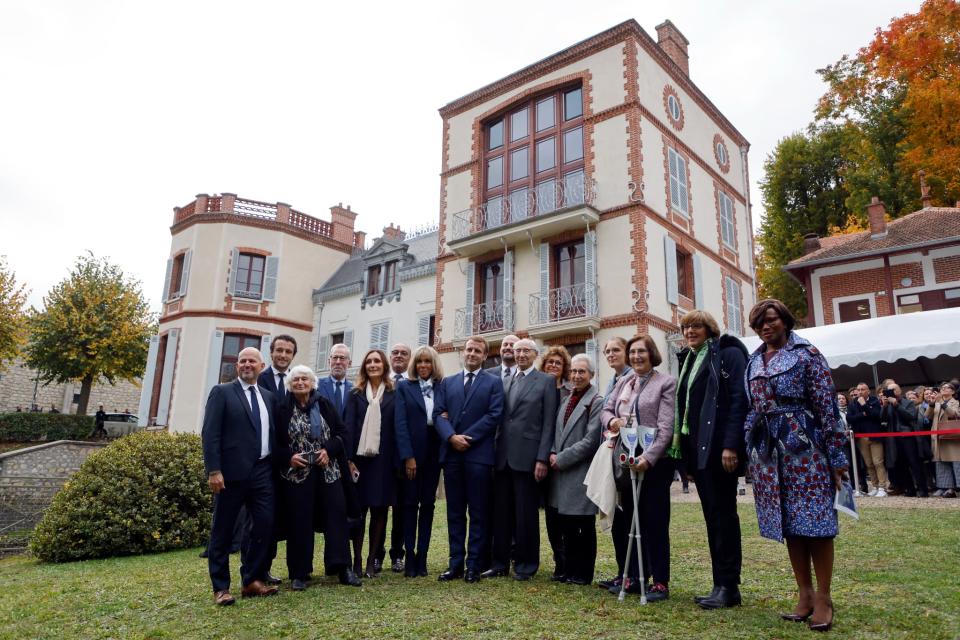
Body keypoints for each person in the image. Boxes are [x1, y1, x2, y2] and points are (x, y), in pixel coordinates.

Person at [744, 299, 848, 631]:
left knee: (816, 524)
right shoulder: (753, 361)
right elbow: (752, 409)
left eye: (771, 319)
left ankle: (824, 597)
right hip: (768, 455)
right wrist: (749, 444)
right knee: (790, 523)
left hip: (806, 451)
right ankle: (803, 594)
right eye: (759, 322)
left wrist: (837, 459)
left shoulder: (808, 355)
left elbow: (827, 409)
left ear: (785, 321)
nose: (765, 326)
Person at [670, 310, 748, 609]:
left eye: (696, 326)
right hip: (698, 450)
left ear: (709, 328)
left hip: (719, 450)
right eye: (686, 327)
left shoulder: (727, 354)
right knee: (712, 517)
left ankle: (729, 586)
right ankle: (720, 584)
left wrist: (732, 445)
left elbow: (739, 399)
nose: (690, 331)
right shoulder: (689, 359)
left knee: (723, 516)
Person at [599, 334, 676, 602]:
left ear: (652, 353)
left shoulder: (665, 383)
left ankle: (660, 582)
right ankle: (634, 575)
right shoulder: (624, 381)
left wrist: (650, 457)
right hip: (626, 456)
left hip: (653, 461)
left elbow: (666, 428)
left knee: (654, 521)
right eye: (632, 353)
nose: (636, 357)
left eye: (641, 352)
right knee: (631, 519)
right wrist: (613, 422)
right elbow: (606, 410)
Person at [201, 346, 279, 605]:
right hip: (230, 474)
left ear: (261, 366)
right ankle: (220, 587)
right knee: (222, 531)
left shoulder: (268, 396)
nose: (247, 364)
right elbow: (210, 434)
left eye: (252, 361)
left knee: (264, 526)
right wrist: (214, 470)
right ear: (237, 367)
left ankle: (251, 580)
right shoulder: (222, 393)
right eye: (242, 361)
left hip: (262, 472)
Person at [273, 365, 361, 589]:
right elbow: (273, 444)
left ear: (312, 383)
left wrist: (327, 451)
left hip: (328, 472)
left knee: (336, 519)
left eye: (305, 379)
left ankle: (342, 568)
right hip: (297, 475)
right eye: (296, 380)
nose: (300, 383)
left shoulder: (324, 404)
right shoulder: (282, 408)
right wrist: (289, 458)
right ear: (290, 385)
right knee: (299, 522)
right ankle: (299, 574)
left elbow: (342, 433)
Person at [485, 338, 557, 581]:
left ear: (535, 354)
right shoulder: (504, 381)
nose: (520, 354)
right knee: (501, 513)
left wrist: (542, 458)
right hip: (502, 456)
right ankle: (499, 563)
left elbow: (548, 424)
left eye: (526, 350)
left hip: (528, 458)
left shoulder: (546, 381)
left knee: (526, 514)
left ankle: (526, 564)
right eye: (517, 351)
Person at [434, 336, 504, 583]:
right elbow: (438, 415)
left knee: (478, 513)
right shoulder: (447, 383)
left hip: (479, 456)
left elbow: (494, 414)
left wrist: (468, 438)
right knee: (454, 512)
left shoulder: (494, 383)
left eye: (478, 351)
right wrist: (452, 437)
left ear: (485, 356)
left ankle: (473, 565)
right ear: (462, 353)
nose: (472, 354)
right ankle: (455, 564)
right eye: (469, 350)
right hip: (452, 456)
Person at [548, 353, 603, 586]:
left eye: (582, 372)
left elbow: (591, 441)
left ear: (591, 374)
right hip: (561, 472)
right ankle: (569, 570)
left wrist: (561, 458)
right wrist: (551, 452)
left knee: (583, 526)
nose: (577, 376)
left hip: (579, 470)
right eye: (574, 371)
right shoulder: (567, 398)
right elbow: (556, 430)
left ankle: (583, 574)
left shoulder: (596, 401)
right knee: (567, 526)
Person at [345, 348, 398, 578]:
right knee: (359, 512)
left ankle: (371, 560)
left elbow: (398, 428)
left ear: (384, 365)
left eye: (377, 361)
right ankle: (356, 559)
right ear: (364, 366)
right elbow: (347, 428)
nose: (373, 365)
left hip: (384, 461)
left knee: (379, 510)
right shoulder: (355, 394)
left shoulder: (395, 393)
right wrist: (348, 460)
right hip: (359, 462)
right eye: (369, 362)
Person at [394, 345, 444, 577]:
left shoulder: (442, 387)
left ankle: (422, 557)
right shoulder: (404, 387)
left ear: (434, 364)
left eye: (428, 361)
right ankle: (410, 557)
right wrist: (408, 456)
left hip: (435, 454)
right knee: (409, 506)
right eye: (420, 362)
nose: (423, 366)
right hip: (412, 455)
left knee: (428, 505)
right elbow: (400, 424)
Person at [254, 334, 298, 586]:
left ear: (293, 356)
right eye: (279, 350)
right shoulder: (260, 378)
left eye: (288, 352)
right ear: (271, 353)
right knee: (263, 519)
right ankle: (259, 568)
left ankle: (278, 568)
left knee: (284, 516)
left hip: (291, 460)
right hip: (265, 460)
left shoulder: (297, 380)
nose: (283, 355)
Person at [540, 344, 572, 581]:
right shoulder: (537, 388)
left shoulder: (570, 392)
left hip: (563, 459)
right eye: (549, 362)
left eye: (557, 363)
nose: (553, 366)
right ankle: (558, 560)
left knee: (564, 511)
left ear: (564, 368)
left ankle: (567, 560)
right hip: (541, 458)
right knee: (550, 512)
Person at [383, 342, 412, 573]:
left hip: (404, 456)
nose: (399, 356)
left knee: (402, 508)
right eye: (395, 353)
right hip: (381, 456)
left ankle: (397, 555)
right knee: (380, 506)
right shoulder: (380, 381)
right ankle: (376, 555)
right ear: (389, 357)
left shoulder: (413, 384)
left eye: (404, 353)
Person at [880, 379, 927, 497]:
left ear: (899, 391)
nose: (891, 392)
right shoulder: (888, 405)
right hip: (894, 439)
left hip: (908, 438)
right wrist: (885, 407)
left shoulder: (908, 403)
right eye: (889, 390)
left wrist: (896, 405)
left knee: (914, 464)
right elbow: (883, 419)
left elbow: (910, 417)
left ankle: (922, 490)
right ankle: (909, 489)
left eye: (893, 389)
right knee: (901, 464)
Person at [847, 382, 887, 497]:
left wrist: (864, 406)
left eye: (862, 389)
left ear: (868, 391)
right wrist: (863, 414)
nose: (859, 392)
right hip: (861, 438)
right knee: (869, 464)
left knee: (878, 462)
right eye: (858, 390)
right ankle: (874, 486)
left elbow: (876, 415)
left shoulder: (874, 401)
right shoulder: (853, 403)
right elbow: (850, 418)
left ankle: (882, 487)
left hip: (874, 436)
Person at [927, 382, 960, 498]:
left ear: (953, 392)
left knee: (956, 463)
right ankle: (947, 488)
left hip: (951, 438)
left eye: (947, 387)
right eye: (942, 387)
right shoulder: (936, 404)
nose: (943, 389)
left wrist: (942, 403)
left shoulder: (955, 403)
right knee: (941, 463)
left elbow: (954, 414)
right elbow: (927, 417)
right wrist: (931, 404)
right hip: (938, 438)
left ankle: (957, 488)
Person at [317, 343, 353, 420]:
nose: (338, 362)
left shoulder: (355, 390)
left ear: (349, 363)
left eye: (342, 358)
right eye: (335, 357)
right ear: (329, 362)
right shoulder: (317, 386)